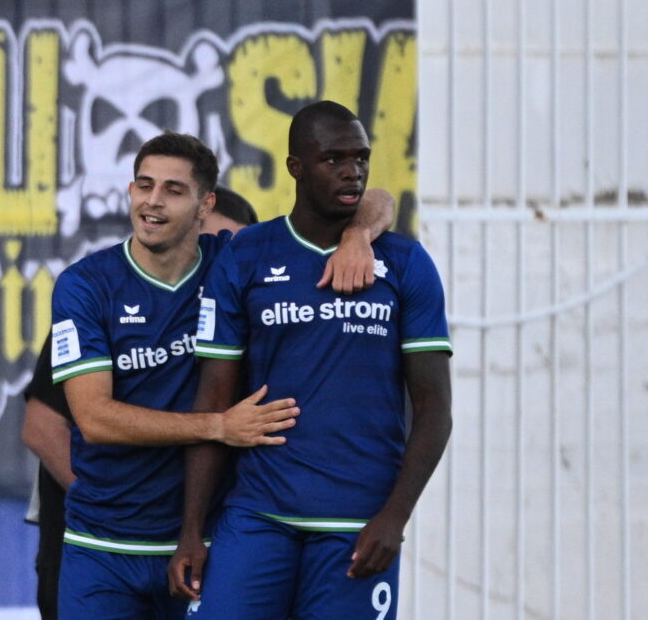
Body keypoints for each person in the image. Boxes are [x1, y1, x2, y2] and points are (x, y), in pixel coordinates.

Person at [48, 131, 395, 618]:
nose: (152, 201)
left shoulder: (233, 262)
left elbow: (380, 199)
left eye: (173, 190)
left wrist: (356, 236)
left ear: (205, 204)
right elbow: (94, 419)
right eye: (143, 185)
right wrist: (218, 426)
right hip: (103, 545)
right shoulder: (86, 284)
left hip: (205, 544)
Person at [169, 101, 453, 620]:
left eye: (361, 158)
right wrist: (192, 529)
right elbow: (213, 400)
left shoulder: (405, 263)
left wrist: (395, 516)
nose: (352, 171)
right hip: (258, 514)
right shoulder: (246, 255)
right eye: (333, 159)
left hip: (356, 523)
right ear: (295, 166)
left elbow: (435, 409)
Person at [20, 186, 261, 620]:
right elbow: (42, 427)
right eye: (211, 241)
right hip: (99, 545)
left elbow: (364, 202)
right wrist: (118, 505)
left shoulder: (236, 312)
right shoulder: (94, 297)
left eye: (232, 249)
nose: (222, 260)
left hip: (195, 545)